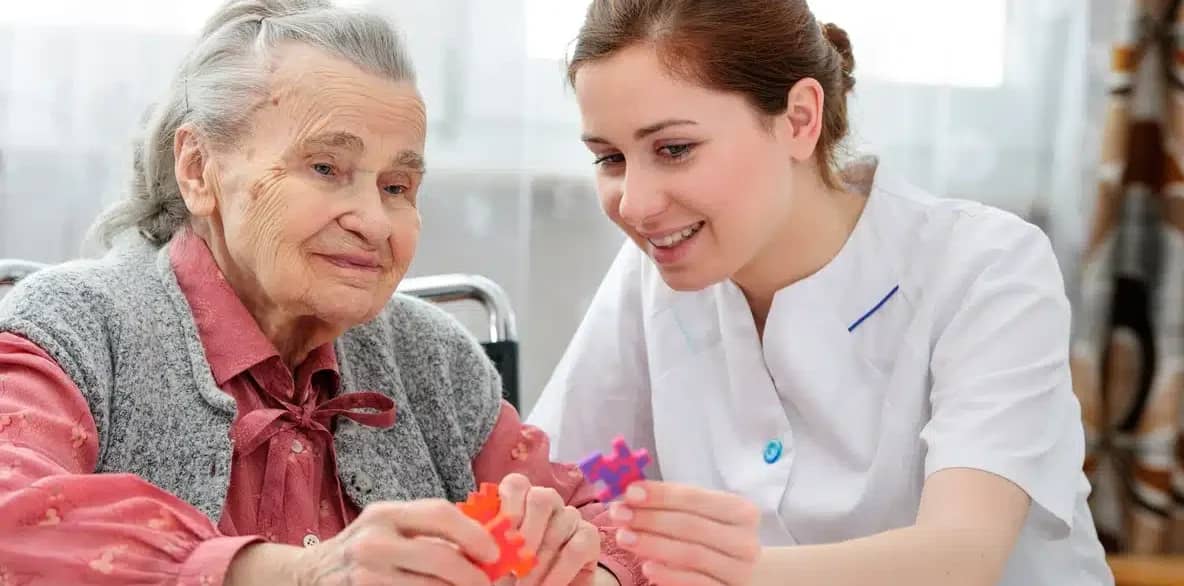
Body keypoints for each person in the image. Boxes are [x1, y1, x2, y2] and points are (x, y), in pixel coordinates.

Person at [0, 1, 641, 585]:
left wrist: (586, 566)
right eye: (326, 169)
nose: (373, 220)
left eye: (396, 187)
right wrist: (297, 574)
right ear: (199, 170)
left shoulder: (435, 361)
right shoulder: (74, 327)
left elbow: (600, 517)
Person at [526, 1, 1114, 585]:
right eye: (609, 158)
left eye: (674, 149)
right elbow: (566, 486)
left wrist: (722, 573)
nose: (634, 204)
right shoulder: (650, 275)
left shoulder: (985, 267)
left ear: (801, 119)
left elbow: (960, 557)